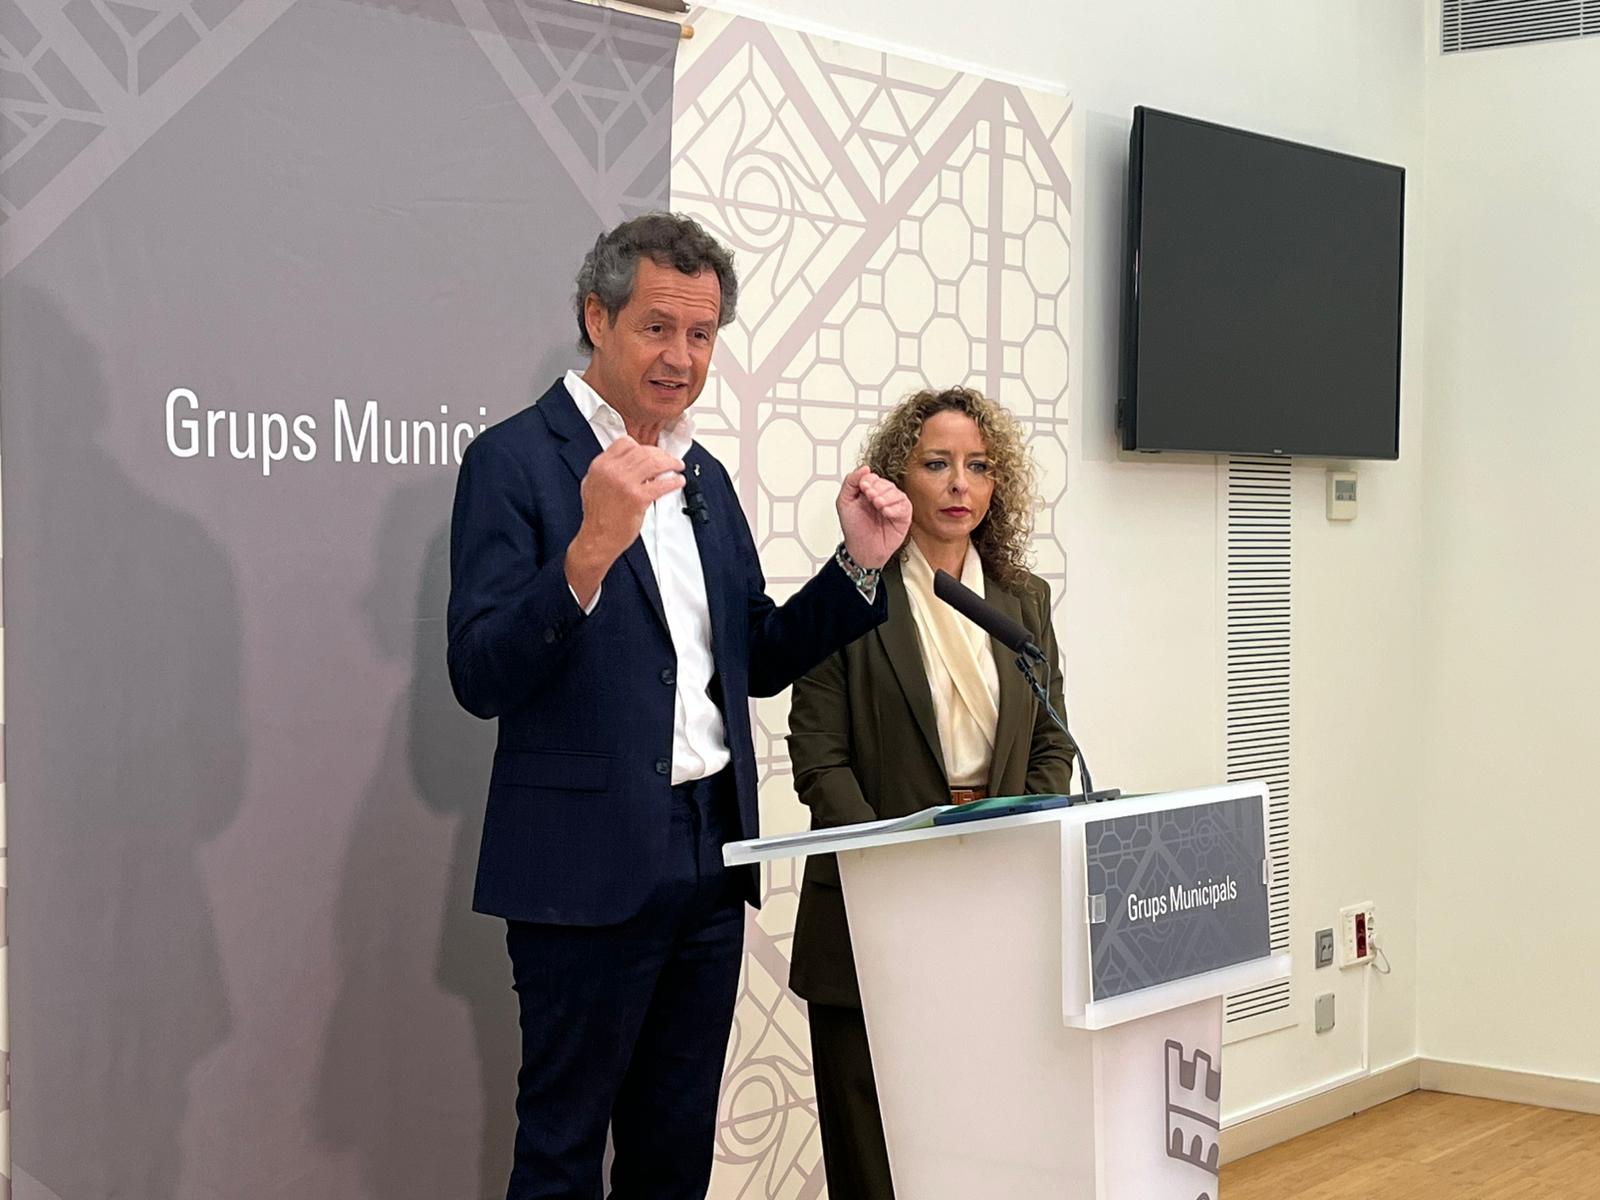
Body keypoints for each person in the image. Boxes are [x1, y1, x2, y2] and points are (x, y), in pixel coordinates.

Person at [446, 212, 912, 1200]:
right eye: (657, 327)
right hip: (583, 865)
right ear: (597, 317)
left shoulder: (701, 474)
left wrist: (858, 569)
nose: (682, 357)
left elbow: (757, 658)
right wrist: (589, 549)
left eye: (701, 334)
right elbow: (479, 674)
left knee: (674, 1151)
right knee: (562, 1152)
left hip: (710, 855)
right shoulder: (514, 461)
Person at [785, 385, 1078, 1200]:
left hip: (993, 897)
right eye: (937, 463)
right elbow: (818, 758)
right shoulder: (851, 591)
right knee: (874, 1160)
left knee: (981, 1150)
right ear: (897, 477)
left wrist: (1013, 829)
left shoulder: (1022, 598)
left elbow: (1052, 740)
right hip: (874, 903)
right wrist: (894, 861)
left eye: (978, 466)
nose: (958, 484)